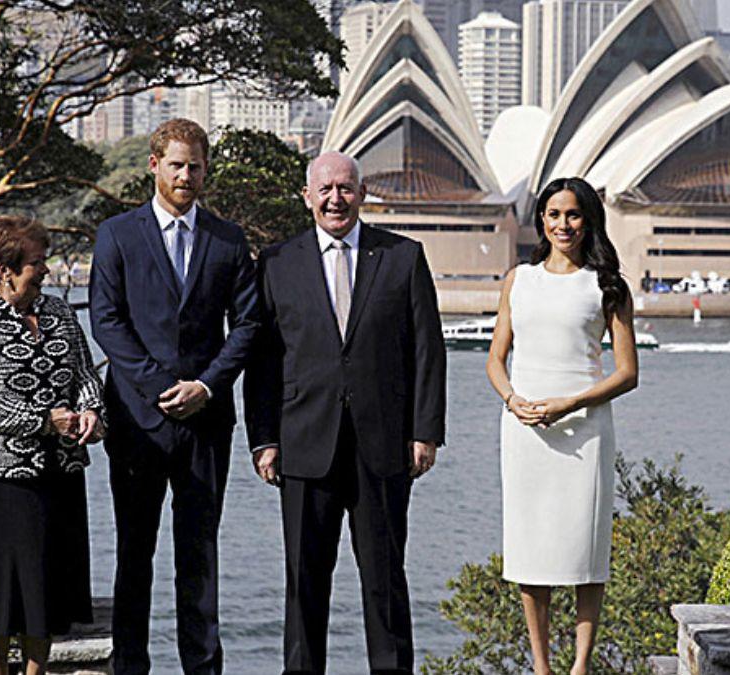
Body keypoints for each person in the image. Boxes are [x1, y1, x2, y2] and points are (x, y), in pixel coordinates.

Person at [244, 151, 447, 675]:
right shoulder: (277, 262)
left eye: (346, 188)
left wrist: (425, 432)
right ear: (307, 197)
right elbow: (262, 360)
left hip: (383, 446)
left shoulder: (402, 257)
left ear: (362, 194)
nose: (336, 199)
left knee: (385, 580)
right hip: (303, 445)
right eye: (326, 189)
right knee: (304, 580)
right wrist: (263, 439)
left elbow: (427, 349)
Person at [89, 118, 259, 675]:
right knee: (134, 555)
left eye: (196, 167)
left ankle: (203, 669)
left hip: (206, 424)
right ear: (154, 165)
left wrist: (206, 385)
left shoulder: (228, 240)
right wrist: (162, 387)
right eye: (177, 165)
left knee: (199, 558)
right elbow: (107, 322)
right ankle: (129, 667)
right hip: (137, 422)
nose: (186, 176)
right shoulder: (117, 234)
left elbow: (248, 325)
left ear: (206, 171)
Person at [485, 177, 639, 675]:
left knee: (585, 550)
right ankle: (542, 667)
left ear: (589, 220)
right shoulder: (518, 280)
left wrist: (570, 403)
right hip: (525, 431)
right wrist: (513, 400)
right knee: (530, 548)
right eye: (553, 214)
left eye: (573, 214)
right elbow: (495, 360)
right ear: (541, 220)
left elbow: (627, 373)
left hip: (585, 431)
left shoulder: (607, 285)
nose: (563, 224)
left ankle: (580, 666)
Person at [0, 215, 105, 675]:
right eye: (37, 261)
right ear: (5, 269)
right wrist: (43, 421)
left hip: (60, 473)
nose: (46, 269)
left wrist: (92, 411)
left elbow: (85, 375)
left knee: (46, 587)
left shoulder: (60, 313)